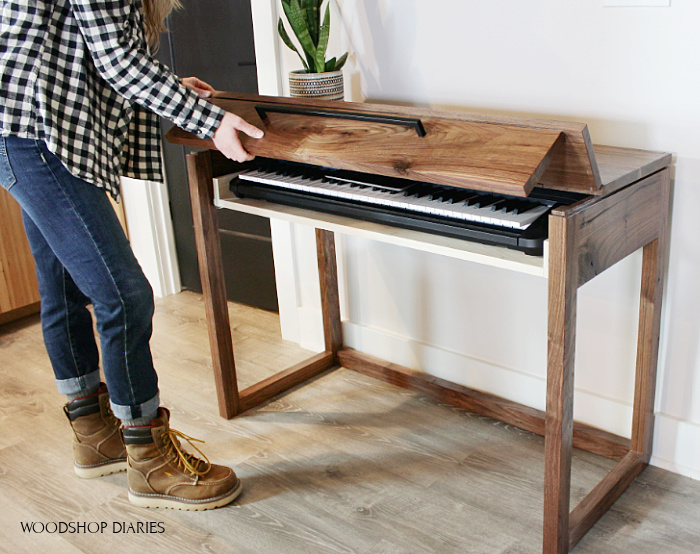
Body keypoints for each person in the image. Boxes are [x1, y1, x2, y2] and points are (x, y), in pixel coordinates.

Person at [0, 0, 263, 510]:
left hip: (22, 128)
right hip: (33, 135)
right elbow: (116, 59)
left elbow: (84, 54)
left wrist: (171, 93)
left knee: (63, 286)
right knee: (124, 295)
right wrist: (209, 121)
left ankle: (94, 433)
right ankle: (148, 457)